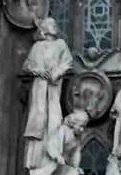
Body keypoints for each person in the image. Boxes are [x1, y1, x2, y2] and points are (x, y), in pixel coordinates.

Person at [23, 17, 73, 173]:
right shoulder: (37, 46)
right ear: (44, 29)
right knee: (38, 120)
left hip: (53, 87)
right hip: (39, 88)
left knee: (54, 119)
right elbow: (27, 64)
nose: (55, 26)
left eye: (55, 24)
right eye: (51, 24)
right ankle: (37, 159)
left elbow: (68, 62)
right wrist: (37, 70)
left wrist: (56, 73)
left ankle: (52, 155)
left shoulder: (60, 44)